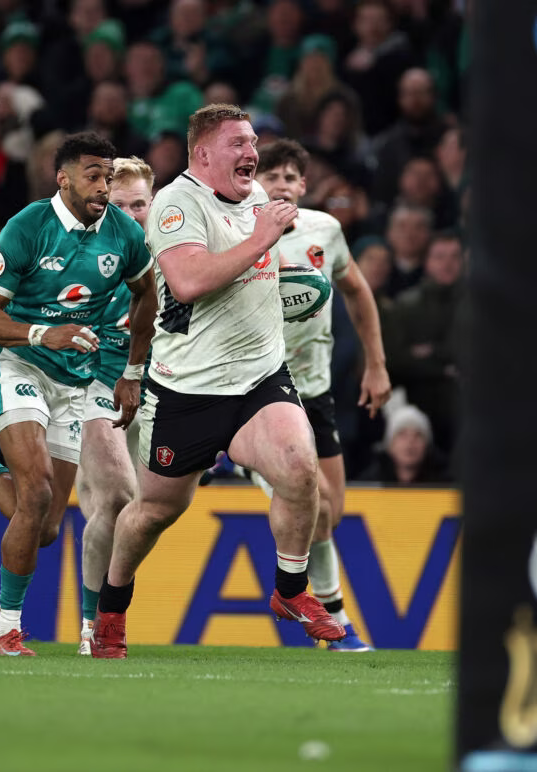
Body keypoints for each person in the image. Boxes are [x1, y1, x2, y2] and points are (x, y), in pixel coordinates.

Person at [90, 104, 347, 658]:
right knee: (154, 513)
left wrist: (289, 283)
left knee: (301, 471)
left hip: (259, 378)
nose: (252, 152)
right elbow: (186, 282)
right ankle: (111, 608)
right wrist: (262, 240)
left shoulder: (257, 198)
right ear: (203, 153)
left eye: (252, 141)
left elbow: (255, 273)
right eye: (239, 143)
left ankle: (291, 589)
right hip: (187, 389)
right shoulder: (174, 205)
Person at [0, 132, 158, 657]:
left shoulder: (124, 235)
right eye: (93, 175)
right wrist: (44, 334)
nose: (103, 187)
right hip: (19, 364)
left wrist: (132, 371)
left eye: (108, 176)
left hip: (75, 382)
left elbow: (146, 295)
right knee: (37, 492)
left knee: (43, 527)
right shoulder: (28, 226)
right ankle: (6, 632)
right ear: (63, 179)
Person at [251, 138, 391, 651]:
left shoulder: (324, 230)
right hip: (258, 390)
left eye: (289, 176)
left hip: (314, 390)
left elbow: (356, 290)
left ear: (304, 186)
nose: (281, 184)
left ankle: (331, 621)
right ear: (252, 183)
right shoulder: (236, 232)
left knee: (329, 516)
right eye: (270, 175)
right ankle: (337, 624)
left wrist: (376, 364)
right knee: (316, 503)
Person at [75, 156, 155, 655]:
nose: (129, 214)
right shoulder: (83, 251)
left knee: (138, 516)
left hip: (155, 395)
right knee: (116, 500)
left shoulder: (176, 252)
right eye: (119, 205)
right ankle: (94, 627)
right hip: (93, 387)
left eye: (139, 204)